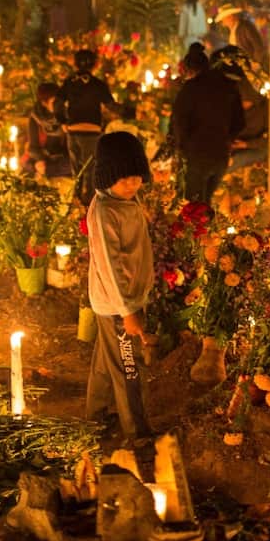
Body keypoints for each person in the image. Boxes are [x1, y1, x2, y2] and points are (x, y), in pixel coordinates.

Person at [85, 132, 156, 442]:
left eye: (137, 177)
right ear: (108, 177)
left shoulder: (126, 201)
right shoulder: (104, 211)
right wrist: (127, 310)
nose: (132, 184)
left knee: (107, 360)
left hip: (124, 299)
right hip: (116, 303)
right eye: (124, 179)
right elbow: (110, 266)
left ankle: (95, 416)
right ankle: (136, 431)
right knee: (127, 367)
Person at [170, 48, 245, 203]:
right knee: (206, 203)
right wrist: (227, 139)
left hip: (196, 153)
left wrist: (182, 147)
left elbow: (179, 121)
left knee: (194, 207)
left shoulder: (190, 89)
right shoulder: (228, 87)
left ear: (188, 70)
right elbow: (240, 121)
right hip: (220, 154)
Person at [58, 49, 116, 205]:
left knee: (76, 170)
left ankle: (75, 204)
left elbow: (57, 102)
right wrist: (133, 111)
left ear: (74, 63)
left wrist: (62, 121)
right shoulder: (98, 84)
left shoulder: (68, 83)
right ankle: (87, 206)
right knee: (90, 170)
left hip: (73, 129)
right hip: (92, 130)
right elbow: (111, 105)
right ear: (95, 65)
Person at [25, 82, 71, 178]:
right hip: (43, 157)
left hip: (63, 160)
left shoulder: (66, 115)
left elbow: (72, 150)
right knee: (28, 165)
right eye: (54, 102)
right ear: (44, 103)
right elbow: (33, 147)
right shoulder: (35, 117)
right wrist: (41, 162)